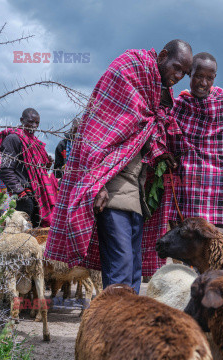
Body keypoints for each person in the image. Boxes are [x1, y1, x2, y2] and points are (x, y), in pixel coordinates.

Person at [45, 40, 193, 293]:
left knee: (133, 268)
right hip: (111, 188)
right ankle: (115, 326)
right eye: (176, 68)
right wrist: (97, 185)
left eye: (183, 74)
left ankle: (126, 324)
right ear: (163, 55)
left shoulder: (154, 93)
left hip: (135, 189)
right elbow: (96, 133)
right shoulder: (128, 70)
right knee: (121, 268)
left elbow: (144, 132)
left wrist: (160, 152)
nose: (178, 76)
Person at [164, 52, 223, 255]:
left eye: (209, 78)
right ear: (189, 74)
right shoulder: (179, 107)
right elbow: (170, 145)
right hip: (195, 191)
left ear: (214, 78)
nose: (203, 83)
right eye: (198, 76)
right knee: (196, 248)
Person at [0, 108, 58, 227]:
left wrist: (46, 164)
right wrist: (20, 192)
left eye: (37, 123)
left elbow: (37, 170)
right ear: (22, 120)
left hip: (37, 195)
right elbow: (5, 169)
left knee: (35, 234)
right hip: (24, 196)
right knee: (20, 234)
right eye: (30, 122)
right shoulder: (13, 139)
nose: (34, 126)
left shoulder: (34, 142)